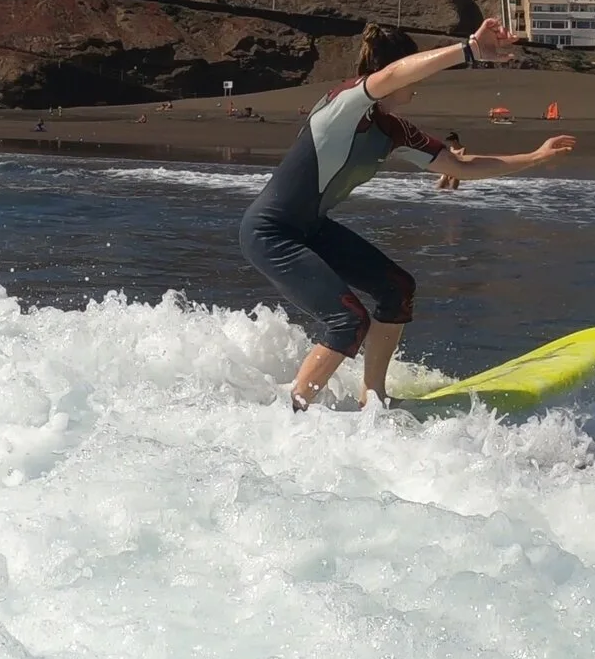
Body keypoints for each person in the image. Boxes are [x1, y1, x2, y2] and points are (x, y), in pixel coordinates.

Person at [241, 20, 572, 411]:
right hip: (271, 233)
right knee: (347, 321)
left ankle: (373, 400)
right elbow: (395, 73)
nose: (419, 83)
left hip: (310, 229)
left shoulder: (393, 131)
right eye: (418, 72)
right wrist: (470, 51)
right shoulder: (343, 106)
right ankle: (293, 412)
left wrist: (534, 157)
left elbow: (460, 166)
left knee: (397, 289)